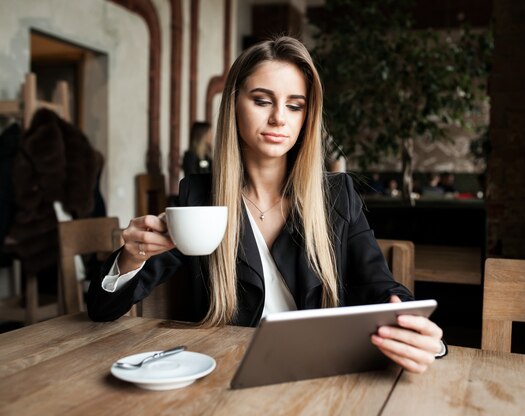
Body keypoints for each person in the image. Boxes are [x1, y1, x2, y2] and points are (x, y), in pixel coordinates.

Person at [87, 36, 445, 373]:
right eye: (261, 100)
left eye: (295, 105)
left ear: (307, 116)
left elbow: (380, 286)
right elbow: (102, 310)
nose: (279, 118)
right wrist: (132, 256)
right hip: (224, 374)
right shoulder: (199, 198)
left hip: (320, 372)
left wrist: (414, 327)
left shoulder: (337, 195)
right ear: (234, 103)